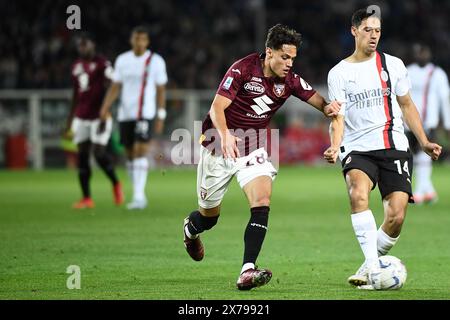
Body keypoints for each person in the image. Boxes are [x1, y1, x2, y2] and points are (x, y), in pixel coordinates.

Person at [182, 24, 341, 290]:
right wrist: (225, 135)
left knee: (262, 201)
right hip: (217, 147)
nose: (289, 63)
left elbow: (319, 102)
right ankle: (190, 230)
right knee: (208, 218)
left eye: (293, 58)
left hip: (253, 148)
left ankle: (247, 270)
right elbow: (217, 107)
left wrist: (329, 107)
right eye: (284, 57)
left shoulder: (290, 81)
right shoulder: (243, 69)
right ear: (269, 52)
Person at [324, 8, 442, 290]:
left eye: (377, 30)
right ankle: (375, 268)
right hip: (357, 148)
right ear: (354, 31)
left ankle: (368, 265)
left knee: (396, 216)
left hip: (393, 145)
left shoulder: (393, 65)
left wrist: (424, 141)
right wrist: (334, 146)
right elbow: (337, 117)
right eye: (367, 30)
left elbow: (407, 105)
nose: (374, 35)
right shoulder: (338, 73)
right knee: (358, 194)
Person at [99, 26, 168, 210]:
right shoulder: (122, 60)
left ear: (147, 42)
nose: (139, 42)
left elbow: (161, 89)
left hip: (145, 113)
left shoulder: (156, 61)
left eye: (142, 39)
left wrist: (161, 114)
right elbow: (115, 86)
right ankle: (137, 193)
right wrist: (105, 107)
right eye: (136, 39)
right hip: (125, 114)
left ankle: (139, 196)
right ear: (132, 40)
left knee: (140, 150)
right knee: (129, 154)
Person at [65, 33, 124, 209]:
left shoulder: (102, 63)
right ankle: (87, 198)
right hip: (81, 117)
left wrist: (106, 110)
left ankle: (115, 184)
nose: (83, 48)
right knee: (82, 157)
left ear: (93, 45)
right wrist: (70, 119)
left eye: (86, 44)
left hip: (100, 117)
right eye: (80, 45)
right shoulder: (76, 66)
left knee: (98, 154)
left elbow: (115, 83)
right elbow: (76, 94)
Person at [406, 43, 450, 204]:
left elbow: (444, 99)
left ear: (429, 54)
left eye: (424, 53)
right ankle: (429, 191)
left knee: (422, 153)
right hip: (409, 121)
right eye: (419, 53)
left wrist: (447, 123)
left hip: (429, 121)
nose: (422, 56)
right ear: (415, 54)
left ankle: (418, 191)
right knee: (415, 154)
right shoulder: (408, 72)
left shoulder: (437, 74)